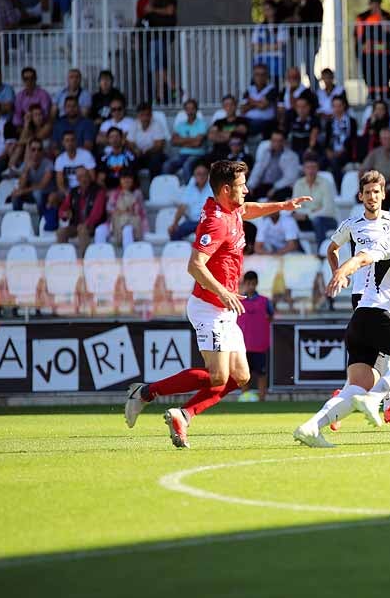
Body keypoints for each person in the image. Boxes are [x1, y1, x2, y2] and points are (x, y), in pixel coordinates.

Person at [123, 161, 313, 448]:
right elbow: (195, 265)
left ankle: (184, 414)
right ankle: (145, 393)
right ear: (226, 189)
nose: (247, 190)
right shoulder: (214, 220)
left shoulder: (232, 208)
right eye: (241, 186)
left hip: (225, 308)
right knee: (218, 376)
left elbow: (248, 209)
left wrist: (282, 205)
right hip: (208, 307)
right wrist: (224, 292)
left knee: (241, 377)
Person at [294, 193, 390, 447]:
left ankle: (311, 427)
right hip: (374, 315)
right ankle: (376, 397)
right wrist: (343, 270)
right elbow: (363, 257)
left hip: (364, 322)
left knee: (355, 388)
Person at [324, 170, 390, 430]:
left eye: (376, 192)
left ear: (383, 194)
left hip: (389, 291)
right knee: (385, 348)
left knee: (378, 353)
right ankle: (389, 405)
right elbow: (332, 249)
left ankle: (343, 401)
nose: (372, 196)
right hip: (363, 293)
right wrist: (341, 273)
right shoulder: (352, 224)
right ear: (361, 196)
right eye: (367, 192)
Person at [237, 271, 274, 402]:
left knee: (261, 374)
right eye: (248, 284)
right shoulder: (238, 301)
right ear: (244, 284)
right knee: (243, 374)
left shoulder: (265, 301)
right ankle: (244, 397)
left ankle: (262, 399)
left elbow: (271, 316)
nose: (251, 286)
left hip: (259, 345)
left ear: (256, 283)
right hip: (242, 345)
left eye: (253, 284)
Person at [56, 166, 105, 253]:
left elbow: (97, 214)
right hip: (76, 225)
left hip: (93, 226)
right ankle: (64, 259)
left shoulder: (98, 191)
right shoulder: (73, 192)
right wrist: (65, 214)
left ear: (89, 176)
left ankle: (83, 260)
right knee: (61, 232)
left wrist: (86, 224)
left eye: (85, 176)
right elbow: (63, 208)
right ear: (77, 179)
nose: (83, 179)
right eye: (79, 177)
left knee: (82, 230)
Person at [291, 153, 338, 244]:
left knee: (318, 221)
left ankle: (321, 253)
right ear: (304, 169)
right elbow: (296, 208)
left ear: (318, 169)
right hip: (306, 220)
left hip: (327, 220)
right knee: (288, 219)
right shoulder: (298, 184)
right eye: (308, 167)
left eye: (313, 167)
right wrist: (312, 211)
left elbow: (328, 210)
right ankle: (299, 252)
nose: (311, 171)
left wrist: (307, 215)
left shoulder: (326, 184)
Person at [355, 0, 390, 102]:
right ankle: (371, 96)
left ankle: (384, 97)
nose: (375, 5)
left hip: (383, 53)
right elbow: (358, 36)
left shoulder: (387, 16)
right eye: (373, 3)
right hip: (367, 53)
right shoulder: (362, 17)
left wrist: (379, 15)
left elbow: (388, 30)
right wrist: (358, 53)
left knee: (384, 76)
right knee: (369, 76)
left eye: (377, 3)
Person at [94, 172, 146, 247]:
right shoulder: (115, 193)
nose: (126, 180)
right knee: (100, 230)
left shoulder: (137, 193)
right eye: (124, 178)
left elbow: (139, 211)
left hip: (131, 222)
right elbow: (109, 208)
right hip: (115, 222)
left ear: (133, 180)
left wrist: (127, 211)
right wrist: (119, 211)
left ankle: (128, 256)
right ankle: (100, 257)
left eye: (129, 178)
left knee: (127, 230)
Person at [360, 128, 390, 206]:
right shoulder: (375, 153)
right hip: (376, 183)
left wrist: (388, 187)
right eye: (384, 139)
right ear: (381, 140)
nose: (387, 141)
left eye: (389, 139)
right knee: (361, 194)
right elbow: (362, 170)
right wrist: (364, 185)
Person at [247, 130, 299, 201]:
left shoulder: (292, 156)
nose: (276, 143)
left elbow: (290, 178)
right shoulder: (264, 150)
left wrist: (274, 188)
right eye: (274, 140)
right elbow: (258, 169)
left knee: (281, 195)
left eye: (279, 141)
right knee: (247, 194)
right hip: (264, 185)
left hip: (281, 186)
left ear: (284, 142)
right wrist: (251, 185)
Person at [165, 98, 208, 181]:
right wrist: (192, 139)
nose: (190, 111)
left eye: (192, 109)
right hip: (182, 155)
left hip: (197, 155)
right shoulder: (180, 125)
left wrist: (181, 140)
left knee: (187, 165)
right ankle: (167, 190)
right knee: (167, 165)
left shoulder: (202, 124)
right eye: (187, 109)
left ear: (196, 110)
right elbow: (173, 141)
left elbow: (198, 143)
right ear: (185, 110)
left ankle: (188, 191)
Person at [168, 160, 212, 241]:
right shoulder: (191, 186)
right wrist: (174, 224)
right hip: (192, 222)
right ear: (194, 176)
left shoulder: (212, 186)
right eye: (198, 174)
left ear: (208, 175)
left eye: (204, 174)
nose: (201, 176)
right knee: (174, 233)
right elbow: (182, 207)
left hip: (207, 222)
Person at [9, 138, 54, 213]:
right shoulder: (26, 164)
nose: (36, 152)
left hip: (46, 194)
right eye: (33, 149)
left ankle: (41, 221)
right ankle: (18, 220)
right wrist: (26, 170)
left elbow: (42, 185)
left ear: (42, 151)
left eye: (39, 149)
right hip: (31, 193)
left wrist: (23, 191)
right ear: (29, 151)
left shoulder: (48, 164)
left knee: (37, 193)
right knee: (16, 195)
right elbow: (21, 185)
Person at [251, 0, 288, 85]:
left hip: (277, 66)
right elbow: (254, 47)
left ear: (274, 10)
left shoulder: (281, 26)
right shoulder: (259, 27)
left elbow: (279, 46)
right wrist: (272, 47)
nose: (266, 12)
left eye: (268, 9)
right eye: (264, 10)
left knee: (275, 86)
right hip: (260, 64)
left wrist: (261, 47)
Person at [126, 102, 168, 176]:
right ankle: (134, 186)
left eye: (147, 115)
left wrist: (147, 151)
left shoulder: (157, 125)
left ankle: (154, 186)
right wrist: (135, 149)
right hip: (139, 155)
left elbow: (159, 145)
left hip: (153, 154)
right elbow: (129, 142)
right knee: (130, 162)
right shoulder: (134, 124)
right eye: (142, 115)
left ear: (151, 115)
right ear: (138, 115)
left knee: (155, 162)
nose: (145, 118)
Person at [240, 64, 279, 138]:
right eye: (257, 74)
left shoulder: (272, 89)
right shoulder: (249, 89)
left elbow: (263, 106)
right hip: (247, 119)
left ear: (267, 76)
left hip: (264, 121)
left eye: (262, 75)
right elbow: (243, 109)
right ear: (253, 76)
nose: (260, 77)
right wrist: (258, 102)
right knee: (233, 124)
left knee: (245, 128)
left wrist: (251, 102)